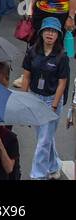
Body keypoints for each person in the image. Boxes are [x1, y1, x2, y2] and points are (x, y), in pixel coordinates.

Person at [20, 16, 69, 180]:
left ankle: (38, 176)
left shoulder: (62, 57)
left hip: (51, 101)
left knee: (43, 142)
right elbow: (26, 77)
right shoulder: (32, 52)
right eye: (47, 30)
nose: (50, 34)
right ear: (41, 33)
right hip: (35, 98)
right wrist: (24, 100)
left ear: (58, 36)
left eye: (54, 31)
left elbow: (62, 84)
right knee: (44, 138)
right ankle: (54, 165)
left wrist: (54, 106)